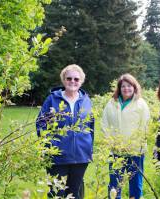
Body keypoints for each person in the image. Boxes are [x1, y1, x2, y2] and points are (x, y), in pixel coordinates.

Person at [36, 64, 94, 198]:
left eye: (76, 79)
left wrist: (88, 148)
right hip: (57, 157)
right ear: (63, 80)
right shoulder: (52, 99)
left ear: (81, 81)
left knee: (75, 194)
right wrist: (48, 148)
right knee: (56, 193)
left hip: (80, 157)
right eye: (69, 78)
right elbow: (41, 124)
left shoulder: (86, 100)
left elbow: (90, 127)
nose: (72, 81)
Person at [102, 74, 150, 199]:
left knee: (135, 183)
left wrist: (136, 146)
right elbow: (104, 124)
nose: (126, 89)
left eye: (129, 86)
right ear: (119, 88)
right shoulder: (111, 103)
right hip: (115, 151)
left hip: (135, 151)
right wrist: (111, 143)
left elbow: (145, 127)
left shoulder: (141, 104)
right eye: (123, 86)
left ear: (134, 87)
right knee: (114, 184)